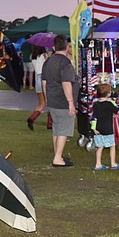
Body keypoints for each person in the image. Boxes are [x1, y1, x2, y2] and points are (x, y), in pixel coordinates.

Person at [41, 35, 78, 167]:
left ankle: (58, 155)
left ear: (53, 47)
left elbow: (44, 83)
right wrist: (71, 103)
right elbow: (66, 83)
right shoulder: (65, 63)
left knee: (57, 129)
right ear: (67, 47)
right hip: (63, 101)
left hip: (52, 100)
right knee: (63, 130)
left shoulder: (48, 62)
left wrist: (47, 98)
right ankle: (57, 158)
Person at [90, 83, 119, 170]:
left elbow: (94, 116)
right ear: (108, 94)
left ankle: (98, 164)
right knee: (112, 146)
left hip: (98, 128)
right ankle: (113, 163)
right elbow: (117, 110)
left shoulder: (96, 104)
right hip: (108, 128)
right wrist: (112, 101)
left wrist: (93, 128)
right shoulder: (109, 104)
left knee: (100, 146)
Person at [26, 46, 49, 130]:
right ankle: (50, 122)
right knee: (49, 101)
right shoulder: (44, 55)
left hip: (37, 78)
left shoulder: (32, 56)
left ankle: (32, 118)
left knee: (41, 103)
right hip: (44, 77)